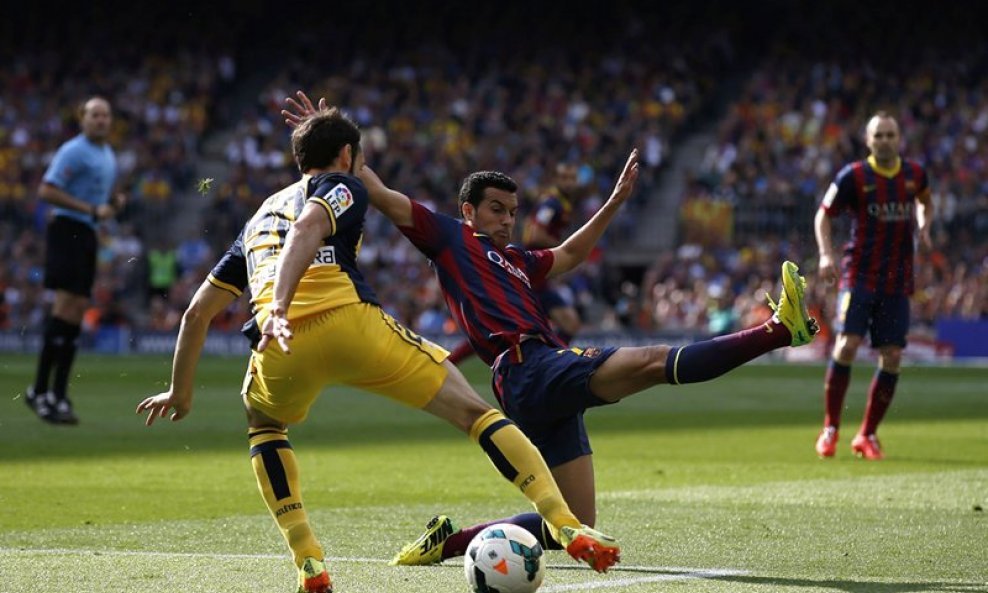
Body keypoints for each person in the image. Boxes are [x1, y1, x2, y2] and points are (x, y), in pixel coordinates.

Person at [284, 91, 817, 566]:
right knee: (653, 362)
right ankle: (776, 330)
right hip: (529, 369)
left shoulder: (517, 259)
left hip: (537, 377)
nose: (507, 219)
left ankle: (450, 541)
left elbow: (571, 253)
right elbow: (375, 189)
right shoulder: (448, 237)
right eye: (496, 209)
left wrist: (613, 203)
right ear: (467, 211)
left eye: (512, 211)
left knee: (572, 522)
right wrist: (333, 140)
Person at [136, 109, 619, 593]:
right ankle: (562, 520)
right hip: (352, 323)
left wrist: (181, 391)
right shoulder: (342, 188)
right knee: (473, 412)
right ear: (346, 157)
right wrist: (281, 304)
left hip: (281, 347)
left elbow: (196, 314)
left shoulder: (256, 220)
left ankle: (308, 560)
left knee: (263, 424)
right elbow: (309, 228)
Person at [813, 111, 934, 461]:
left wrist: (924, 227)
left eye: (889, 135)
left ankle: (867, 434)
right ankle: (831, 428)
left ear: (899, 139)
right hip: (859, 276)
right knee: (847, 345)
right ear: (867, 140)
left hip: (898, 280)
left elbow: (926, 201)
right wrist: (825, 255)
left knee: (893, 355)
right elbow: (824, 214)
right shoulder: (852, 176)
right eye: (877, 135)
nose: (884, 140)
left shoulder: (914, 174)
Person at [26, 96, 127, 425]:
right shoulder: (73, 150)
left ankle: (57, 393)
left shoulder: (107, 155)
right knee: (65, 306)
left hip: (85, 233)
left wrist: (112, 204)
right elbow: (47, 190)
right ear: (82, 118)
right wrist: (91, 210)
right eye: (95, 115)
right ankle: (41, 391)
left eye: (105, 115)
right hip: (67, 228)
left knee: (76, 310)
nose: (101, 120)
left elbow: (98, 203)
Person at [445, 162, 585, 365]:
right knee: (565, 322)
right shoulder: (551, 204)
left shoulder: (562, 203)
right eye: (565, 178)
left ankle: (551, 362)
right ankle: (555, 363)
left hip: (537, 277)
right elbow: (534, 234)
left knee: (503, 330)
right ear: (556, 180)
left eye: (573, 178)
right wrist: (562, 249)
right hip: (531, 276)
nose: (570, 183)